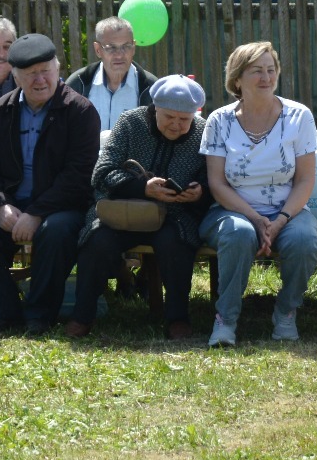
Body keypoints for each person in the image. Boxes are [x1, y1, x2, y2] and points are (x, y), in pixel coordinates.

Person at [0, 33, 100, 335]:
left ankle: (39, 314)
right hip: (12, 205)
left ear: (58, 69)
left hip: (60, 207)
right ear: (16, 76)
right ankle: (3, 311)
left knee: (57, 230)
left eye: (46, 71)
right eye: (31, 74)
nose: (40, 80)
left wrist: (37, 213)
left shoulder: (80, 111)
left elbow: (78, 175)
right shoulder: (2, 110)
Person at [199, 41, 317, 347]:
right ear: (237, 79)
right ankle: (226, 320)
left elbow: (305, 180)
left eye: (271, 70)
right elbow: (217, 184)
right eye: (257, 71)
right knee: (239, 234)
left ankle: (286, 312)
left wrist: (280, 220)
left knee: (304, 239)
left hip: (287, 210)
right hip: (231, 210)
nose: (266, 77)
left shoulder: (299, 116)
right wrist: (254, 219)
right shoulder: (219, 120)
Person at [70, 75, 211, 340]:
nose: (176, 125)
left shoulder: (203, 131)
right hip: (122, 210)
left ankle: (178, 318)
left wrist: (199, 193)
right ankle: (82, 316)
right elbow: (102, 172)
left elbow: (214, 179)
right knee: (98, 240)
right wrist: (142, 188)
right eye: (169, 117)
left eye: (184, 119)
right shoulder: (130, 122)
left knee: (176, 243)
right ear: (155, 108)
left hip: (175, 215)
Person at [65, 16, 159, 131]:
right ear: (98, 49)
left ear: (133, 48)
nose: (119, 55)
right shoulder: (78, 84)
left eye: (126, 46)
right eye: (111, 47)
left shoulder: (152, 88)